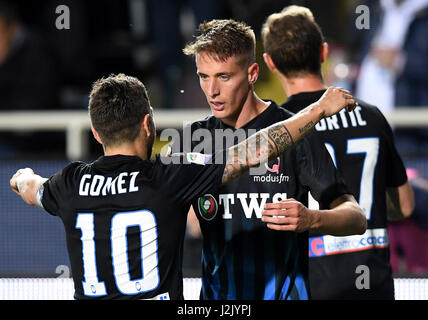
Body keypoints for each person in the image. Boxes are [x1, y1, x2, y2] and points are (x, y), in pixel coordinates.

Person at [9, 73, 356, 300]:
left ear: (96, 132)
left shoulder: (69, 183)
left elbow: (31, 187)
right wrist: (317, 111)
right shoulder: (169, 177)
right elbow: (256, 149)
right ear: (148, 125)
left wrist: (21, 176)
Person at [176, 19, 366, 300]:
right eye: (204, 76)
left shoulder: (296, 133)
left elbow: (356, 218)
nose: (212, 90)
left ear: (252, 73)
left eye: (224, 76)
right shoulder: (194, 139)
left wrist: (312, 218)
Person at [261, 5, 415, 299]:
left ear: (270, 63)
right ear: (323, 53)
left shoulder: (277, 131)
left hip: (311, 283)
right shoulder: (371, 116)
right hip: (374, 282)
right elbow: (404, 206)